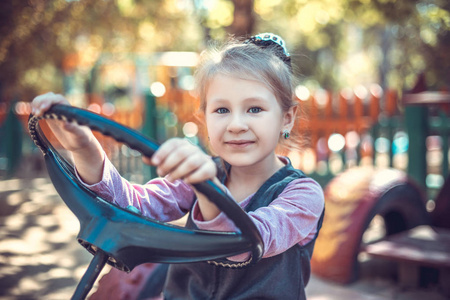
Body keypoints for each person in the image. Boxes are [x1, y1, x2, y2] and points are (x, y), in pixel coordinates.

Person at [31, 33, 324, 300]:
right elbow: (132, 206)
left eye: (255, 109)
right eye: (222, 110)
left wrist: (207, 190)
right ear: (204, 118)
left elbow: (249, 244)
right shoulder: (199, 176)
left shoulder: (302, 195)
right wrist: (84, 149)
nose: (236, 125)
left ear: (287, 118)